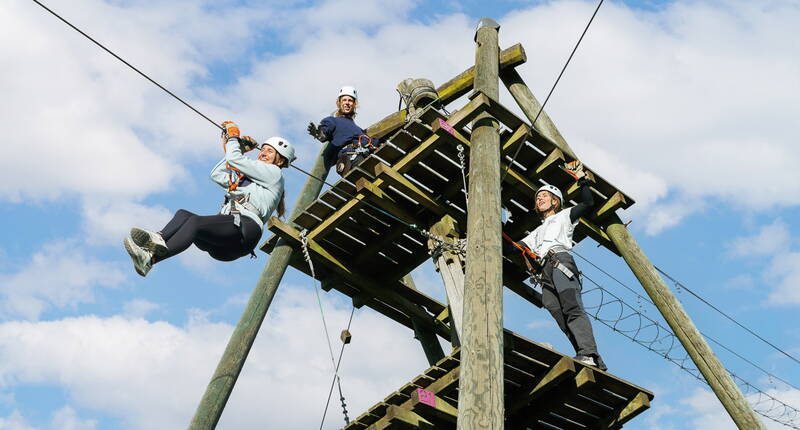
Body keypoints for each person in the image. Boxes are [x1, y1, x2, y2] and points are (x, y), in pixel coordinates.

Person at [123, 121, 296, 277]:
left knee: (195, 222)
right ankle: (152, 251)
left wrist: (233, 139)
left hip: (244, 230)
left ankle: (151, 256)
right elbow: (217, 174)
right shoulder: (247, 180)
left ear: (280, 161)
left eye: (270, 151)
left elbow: (234, 158)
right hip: (225, 241)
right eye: (263, 149)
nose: (263, 153)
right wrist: (240, 148)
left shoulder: (274, 174)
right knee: (184, 215)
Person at [515, 161, 607, 370]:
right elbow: (515, 247)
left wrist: (582, 180)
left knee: (572, 307)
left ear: (555, 201)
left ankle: (589, 354)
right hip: (544, 272)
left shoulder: (565, 216)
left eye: (544, 196)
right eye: (537, 198)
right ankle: (586, 355)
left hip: (560, 261)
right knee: (557, 312)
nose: (539, 199)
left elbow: (588, 203)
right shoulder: (536, 232)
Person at [307, 86, 381, 175]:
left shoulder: (359, 130)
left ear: (354, 104)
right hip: (351, 158)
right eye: (344, 100)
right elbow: (324, 133)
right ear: (339, 103)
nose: (347, 103)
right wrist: (319, 134)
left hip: (367, 156)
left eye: (350, 100)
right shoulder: (333, 121)